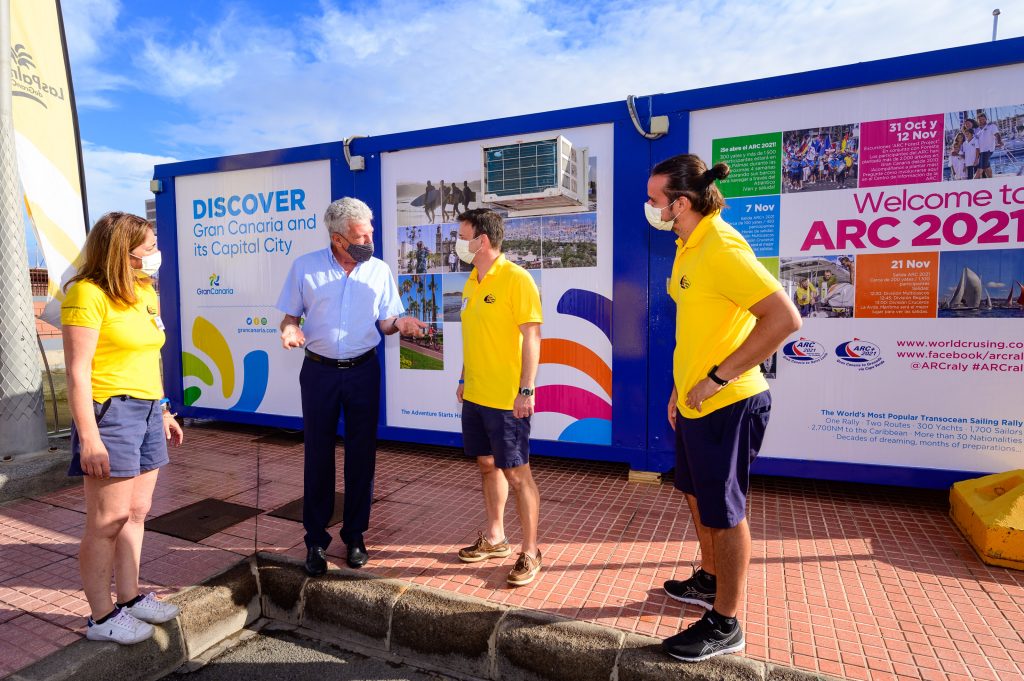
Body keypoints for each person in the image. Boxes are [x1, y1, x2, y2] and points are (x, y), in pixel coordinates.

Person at [646, 155, 801, 662]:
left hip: (729, 403)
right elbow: (700, 329)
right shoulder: (686, 245)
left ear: (682, 203)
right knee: (695, 495)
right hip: (694, 403)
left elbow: (783, 319)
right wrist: (680, 387)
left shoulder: (720, 245)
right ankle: (710, 581)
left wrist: (716, 379)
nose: (650, 207)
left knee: (726, 512)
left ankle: (726, 622)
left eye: (655, 200)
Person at [277, 197, 427, 576]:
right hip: (319, 373)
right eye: (362, 235)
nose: (370, 240)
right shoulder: (305, 267)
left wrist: (401, 325)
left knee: (362, 457)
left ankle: (356, 535)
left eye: (371, 232)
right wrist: (291, 329)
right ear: (338, 238)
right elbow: (289, 318)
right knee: (318, 455)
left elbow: (386, 322)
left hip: (363, 371)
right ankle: (315, 539)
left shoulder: (378, 270)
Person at [62, 212, 184, 645]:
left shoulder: (143, 291)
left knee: (136, 512)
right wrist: (89, 438)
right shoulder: (86, 294)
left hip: (149, 409)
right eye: (147, 248)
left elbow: (150, 357)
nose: (155, 255)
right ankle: (101, 617)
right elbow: (76, 373)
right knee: (107, 519)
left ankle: (130, 599)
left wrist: (165, 409)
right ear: (120, 252)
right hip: (110, 412)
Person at [453, 208, 544, 587]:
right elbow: (476, 337)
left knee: (518, 474)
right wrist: (462, 377)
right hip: (475, 395)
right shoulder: (472, 281)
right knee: (487, 465)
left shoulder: (516, 279)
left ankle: (531, 551)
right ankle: (496, 538)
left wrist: (526, 390)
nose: (457, 243)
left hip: (508, 399)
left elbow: (533, 338)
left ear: (482, 241)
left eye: (462, 235)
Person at [974, 112, 1003, 179]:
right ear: (977, 121)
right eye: (980, 120)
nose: (981, 121)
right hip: (980, 152)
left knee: (979, 169)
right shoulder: (977, 130)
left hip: (987, 150)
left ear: (986, 119)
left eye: (983, 119)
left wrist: (999, 141)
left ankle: (972, 183)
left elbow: (997, 134)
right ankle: (991, 179)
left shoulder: (991, 126)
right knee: (987, 167)